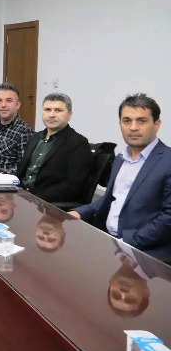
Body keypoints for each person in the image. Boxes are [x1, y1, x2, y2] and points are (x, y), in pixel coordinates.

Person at [69, 93, 171, 262]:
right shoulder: (120, 159)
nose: (133, 127)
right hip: (108, 240)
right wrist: (79, 212)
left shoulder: (167, 161)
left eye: (141, 121)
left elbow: (168, 219)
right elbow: (110, 199)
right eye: (127, 121)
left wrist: (126, 243)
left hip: (145, 253)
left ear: (157, 124)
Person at [16, 93, 93, 203]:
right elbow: (22, 173)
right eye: (47, 110)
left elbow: (73, 186)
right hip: (20, 195)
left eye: (58, 110)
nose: (51, 115)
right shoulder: (34, 138)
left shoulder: (78, 143)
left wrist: (35, 199)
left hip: (44, 203)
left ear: (70, 115)